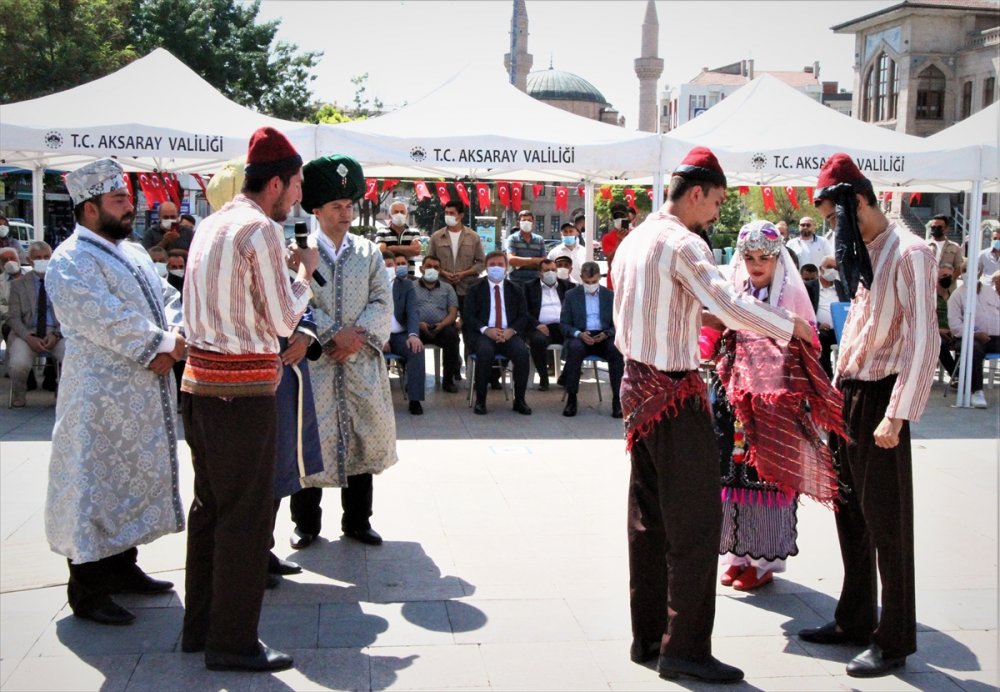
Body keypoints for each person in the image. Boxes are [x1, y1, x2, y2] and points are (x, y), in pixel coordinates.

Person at [612, 146, 813, 684]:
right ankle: (685, 649)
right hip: (674, 396)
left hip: (636, 389)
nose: (717, 212)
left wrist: (708, 319)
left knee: (647, 521)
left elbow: (660, 307)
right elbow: (728, 303)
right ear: (696, 193)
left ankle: (649, 636)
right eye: (717, 202)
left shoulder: (634, 239)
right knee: (697, 526)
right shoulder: (683, 242)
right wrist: (788, 325)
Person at [181, 127, 317, 673]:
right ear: (276, 183)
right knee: (245, 517)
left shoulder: (211, 223)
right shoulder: (259, 229)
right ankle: (233, 643)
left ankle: (199, 629)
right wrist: (304, 270)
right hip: (241, 395)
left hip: (200, 386)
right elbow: (284, 320)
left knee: (210, 509)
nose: (300, 196)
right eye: (298, 185)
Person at [798, 153, 938, 679]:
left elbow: (924, 342)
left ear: (858, 201)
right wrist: (832, 399)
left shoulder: (911, 253)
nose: (834, 229)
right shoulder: (866, 254)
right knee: (850, 515)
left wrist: (897, 415)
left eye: (836, 216)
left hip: (883, 399)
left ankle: (894, 637)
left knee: (887, 524)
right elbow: (857, 333)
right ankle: (855, 619)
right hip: (851, 395)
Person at [44, 158, 186, 627]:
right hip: (98, 401)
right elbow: (102, 317)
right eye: (119, 200)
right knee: (94, 485)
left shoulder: (136, 252)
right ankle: (87, 590)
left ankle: (124, 567)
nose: (130, 207)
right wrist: (164, 345)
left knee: (128, 482)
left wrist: (177, 334)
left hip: (142, 394)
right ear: (90, 209)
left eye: (128, 197)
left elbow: (169, 297)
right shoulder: (70, 260)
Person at [710, 221, 844, 593]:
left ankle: (764, 561)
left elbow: (810, 340)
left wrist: (776, 331)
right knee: (732, 473)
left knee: (769, 476)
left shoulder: (791, 295)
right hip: (735, 397)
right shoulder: (736, 290)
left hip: (775, 402)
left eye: (764, 258)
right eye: (749, 258)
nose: (756, 265)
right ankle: (737, 554)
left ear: (777, 260)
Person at [287, 154, 396, 552]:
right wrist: (334, 333)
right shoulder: (298, 252)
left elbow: (382, 301)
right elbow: (294, 301)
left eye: (349, 205)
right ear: (316, 210)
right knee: (310, 440)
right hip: (315, 362)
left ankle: (358, 520)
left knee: (360, 437)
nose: (346, 213)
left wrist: (355, 338)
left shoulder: (368, 252)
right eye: (337, 206)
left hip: (359, 360)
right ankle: (306, 524)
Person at [465, 250, 532, 415]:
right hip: (484, 334)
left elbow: (524, 316)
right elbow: (468, 316)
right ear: (486, 267)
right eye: (492, 264)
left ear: (506, 267)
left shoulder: (516, 289)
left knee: (522, 354)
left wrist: (511, 331)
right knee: (485, 352)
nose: (496, 268)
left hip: (509, 334)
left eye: (500, 264)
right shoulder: (475, 288)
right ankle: (481, 401)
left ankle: (520, 400)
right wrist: (486, 330)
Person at [428, 199, 485, 383]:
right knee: (449, 332)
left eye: (452, 213)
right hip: (443, 290)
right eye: (446, 213)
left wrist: (464, 274)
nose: (448, 216)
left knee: (469, 330)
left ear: (460, 215)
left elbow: (481, 262)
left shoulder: (473, 237)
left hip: (466, 288)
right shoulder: (437, 237)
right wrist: (443, 273)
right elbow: (429, 261)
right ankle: (452, 371)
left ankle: (471, 370)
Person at [560, 261, 623, 418]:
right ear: (581, 277)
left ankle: (617, 400)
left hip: (603, 335)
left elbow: (619, 323)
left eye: (594, 281)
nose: (590, 285)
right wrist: (578, 334)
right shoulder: (571, 295)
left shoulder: (610, 295)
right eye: (587, 282)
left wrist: (607, 333)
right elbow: (564, 324)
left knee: (616, 350)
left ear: (599, 277)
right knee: (574, 349)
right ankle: (572, 399)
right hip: (582, 335)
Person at [6, 241, 64, 407]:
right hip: (26, 332)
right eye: (38, 257)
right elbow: (13, 318)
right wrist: (28, 337)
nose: (42, 260)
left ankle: (63, 395)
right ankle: (19, 394)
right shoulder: (18, 285)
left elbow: (71, 316)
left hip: (57, 332)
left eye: (46, 257)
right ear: (29, 260)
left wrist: (56, 334)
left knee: (72, 357)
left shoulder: (63, 283)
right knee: (18, 364)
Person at [947, 269, 1000, 409]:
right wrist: (975, 334)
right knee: (973, 349)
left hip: (995, 337)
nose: (967, 273)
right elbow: (955, 326)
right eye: (965, 270)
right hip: (969, 338)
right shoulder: (957, 296)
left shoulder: (990, 292)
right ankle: (977, 391)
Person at [384, 251, 426, 414]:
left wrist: (413, 335)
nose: (387, 268)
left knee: (416, 350)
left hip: (399, 335)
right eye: (383, 266)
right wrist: (380, 338)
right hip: (376, 336)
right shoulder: (369, 286)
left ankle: (415, 399)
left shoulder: (406, 285)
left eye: (390, 265)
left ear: (395, 267)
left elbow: (412, 312)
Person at [524, 257, 572, 391]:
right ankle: (543, 378)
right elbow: (523, 310)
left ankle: (565, 377)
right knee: (537, 341)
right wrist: (537, 324)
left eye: (553, 270)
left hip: (563, 326)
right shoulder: (529, 287)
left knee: (577, 343)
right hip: (541, 327)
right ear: (540, 273)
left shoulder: (567, 286)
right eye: (546, 270)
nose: (550, 273)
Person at [414, 254, 460, 393]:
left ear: (440, 270)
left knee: (453, 336)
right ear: (421, 268)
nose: (432, 269)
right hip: (418, 327)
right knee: (410, 338)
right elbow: (405, 311)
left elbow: (453, 312)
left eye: (436, 267)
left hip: (441, 327)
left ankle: (448, 381)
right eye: (428, 266)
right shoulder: (411, 287)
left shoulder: (448, 288)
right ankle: (413, 380)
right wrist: (418, 323)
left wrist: (442, 325)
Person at [814, 256, 849, 378]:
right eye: (829, 267)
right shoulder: (810, 287)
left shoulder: (842, 287)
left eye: (836, 268)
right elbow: (804, 311)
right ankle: (827, 378)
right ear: (821, 269)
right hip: (821, 330)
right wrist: (818, 325)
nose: (833, 270)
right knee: (821, 340)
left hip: (843, 330)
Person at [376, 199, 422, 276]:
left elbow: (416, 250)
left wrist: (392, 248)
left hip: (409, 276)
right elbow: (382, 251)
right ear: (390, 216)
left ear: (406, 215)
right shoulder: (382, 231)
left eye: (402, 212)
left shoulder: (414, 232)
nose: (399, 214)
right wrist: (408, 249)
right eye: (396, 212)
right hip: (388, 276)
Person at [506, 209, 547, 285]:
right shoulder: (512, 238)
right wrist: (535, 260)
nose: (526, 222)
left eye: (529, 220)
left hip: (535, 282)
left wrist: (519, 263)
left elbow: (544, 262)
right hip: (515, 282)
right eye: (524, 220)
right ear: (518, 223)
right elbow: (511, 260)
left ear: (533, 222)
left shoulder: (540, 240)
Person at [935, 263, 959, 382]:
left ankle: (963, 376)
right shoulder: (930, 296)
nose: (947, 278)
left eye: (950, 276)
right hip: (934, 333)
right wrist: (938, 330)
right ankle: (956, 376)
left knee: (964, 344)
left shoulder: (954, 296)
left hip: (952, 332)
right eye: (944, 275)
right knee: (941, 343)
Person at [601, 202, 631, 289]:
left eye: (622, 216)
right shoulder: (607, 238)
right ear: (612, 219)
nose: (619, 218)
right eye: (616, 217)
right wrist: (619, 240)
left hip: (632, 280)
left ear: (628, 217)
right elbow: (610, 260)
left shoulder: (636, 234)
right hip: (614, 282)